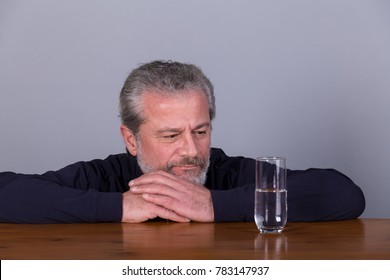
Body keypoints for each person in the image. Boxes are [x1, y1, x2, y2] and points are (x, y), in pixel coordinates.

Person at [0, 60, 365, 223]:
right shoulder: (106, 177)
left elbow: (345, 195)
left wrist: (214, 206)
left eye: (201, 131)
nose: (191, 150)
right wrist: (118, 209)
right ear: (131, 139)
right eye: (171, 135)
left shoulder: (228, 172)